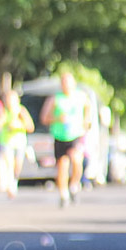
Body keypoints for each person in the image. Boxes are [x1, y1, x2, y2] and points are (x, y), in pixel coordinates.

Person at [40, 72, 91, 207]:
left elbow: (88, 107)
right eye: (63, 83)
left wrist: (86, 120)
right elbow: (44, 118)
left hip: (76, 134)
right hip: (60, 135)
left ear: (74, 83)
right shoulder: (55, 99)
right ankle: (64, 194)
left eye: (68, 82)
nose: (66, 86)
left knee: (76, 160)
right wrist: (57, 118)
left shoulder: (81, 96)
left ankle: (74, 185)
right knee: (62, 165)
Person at [0, 89, 35, 198]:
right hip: (6, 141)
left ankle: (14, 181)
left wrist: (18, 125)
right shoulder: (3, 111)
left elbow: (30, 127)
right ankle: (9, 185)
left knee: (17, 165)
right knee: (9, 163)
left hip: (19, 142)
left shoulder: (21, 111)